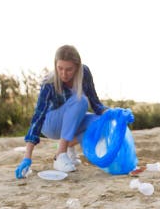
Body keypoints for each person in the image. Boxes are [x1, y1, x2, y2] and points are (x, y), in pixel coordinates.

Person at [15, 45, 107, 178]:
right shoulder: (49, 83)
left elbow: (95, 103)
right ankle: (60, 155)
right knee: (80, 100)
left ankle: (67, 147)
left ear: (77, 67)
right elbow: (37, 118)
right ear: (55, 65)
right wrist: (27, 157)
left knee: (101, 122)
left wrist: (111, 114)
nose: (64, 74)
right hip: (51, 124)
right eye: (60, 68)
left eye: (69, 69)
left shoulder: (84, 73)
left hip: (71, 121)